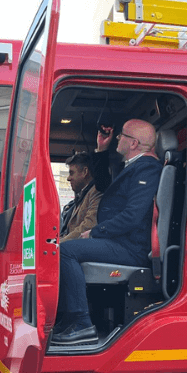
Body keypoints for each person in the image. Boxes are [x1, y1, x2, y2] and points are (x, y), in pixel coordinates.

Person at [52, 119, 163, 345]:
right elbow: (104, 186)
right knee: (64, 250)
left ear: (133, 143)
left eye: (122, 136)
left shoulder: (148, 168)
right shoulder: (134, 166)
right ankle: (70, 321)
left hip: (130, 247)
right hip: (121, 242)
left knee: (64, 252)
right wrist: (101, 149)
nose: (118, 139)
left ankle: (81, 324)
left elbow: (133, 216)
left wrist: (95, 232)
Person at [59, 152, 104, 243]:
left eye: (71, 173)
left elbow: (88, 226)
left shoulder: (95, 192)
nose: (68, 178)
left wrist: (60, 243)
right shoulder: (81, 195)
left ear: (85, 172)